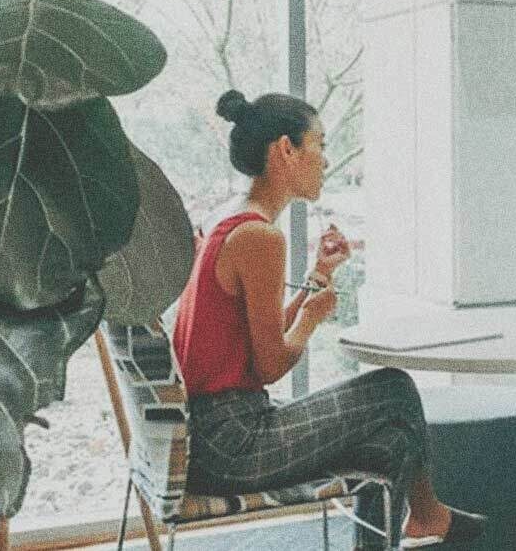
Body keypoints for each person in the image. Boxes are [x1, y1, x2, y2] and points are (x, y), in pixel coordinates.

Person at [172, 90, 485, 549]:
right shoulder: (260, 236)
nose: (325, 158)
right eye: (319, 143)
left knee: (394, 441)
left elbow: (253, 339)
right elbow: (270, 365)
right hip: (233, 444)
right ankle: (428, 515)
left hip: (216, 434)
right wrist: (311, 321)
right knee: (393, 386)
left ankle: (419, 521)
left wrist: (317, 277)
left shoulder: (231, 219)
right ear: (286, 150)